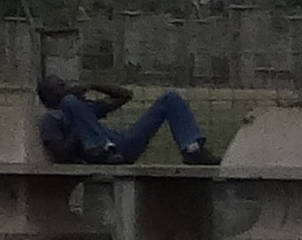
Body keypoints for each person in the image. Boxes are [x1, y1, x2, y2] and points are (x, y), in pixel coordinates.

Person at [37, 58, 215, 166]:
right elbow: (60, 155)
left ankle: (192, 149)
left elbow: (125, 96)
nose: (66, 88)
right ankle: (103, 149)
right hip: (100, 155)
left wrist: (93, 85)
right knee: (69, 102)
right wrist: (79, 131)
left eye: (64, 84)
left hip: (122, 145)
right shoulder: (52, 119)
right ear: (49, 97)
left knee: (171, 98)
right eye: (59, 87)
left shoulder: (82, 108)